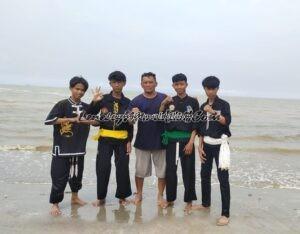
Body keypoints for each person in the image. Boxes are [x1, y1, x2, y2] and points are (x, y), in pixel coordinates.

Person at [45, 76, 95, 216]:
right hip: (61, 149)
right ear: (71, 88)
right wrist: (70, 119)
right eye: (77, 89)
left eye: (82, 90)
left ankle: (74, 197)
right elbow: (49, 120)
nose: (79, 92)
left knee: (76, 176)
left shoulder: (86, 107)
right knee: (59, 177)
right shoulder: (62, 104)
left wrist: (95, 103)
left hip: (78, 149)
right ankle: (55, 204)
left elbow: (96, 121)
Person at [87, 71, 133, 206]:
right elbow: (89, 115)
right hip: (105, 139)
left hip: (122, 140)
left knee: (123, 168)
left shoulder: (128, 103)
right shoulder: (103, 99)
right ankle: (101, 198)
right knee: (102, 168)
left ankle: (122, 197)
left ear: (124, 83)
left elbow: (130, 125)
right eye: (114, 82)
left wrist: (130, 141)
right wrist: (94, 102)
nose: (117, 84)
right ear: (110, 83)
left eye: (120, 82)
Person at [159, 73, 200, 211]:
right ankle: (170, 199)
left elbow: (196, 123)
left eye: (181, 84)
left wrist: (191, 142)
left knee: (188, 171)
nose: (179, 86)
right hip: (171, 141)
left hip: (186, 141)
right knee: (170, 171)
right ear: (173, 86)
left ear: (186, 85)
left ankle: (189, 201)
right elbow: (160, 117)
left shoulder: (193, 102)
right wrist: (163, 103)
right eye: (176, 84)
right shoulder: (169, 100)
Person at [128, 72, 167, 207]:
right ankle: (139, 194)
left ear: (156, 83)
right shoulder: (136, 100)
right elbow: (130, 122)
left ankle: (160, 196)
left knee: (162, 172)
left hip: (161, 142)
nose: (148, 84)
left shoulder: (164, 98)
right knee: (140, 171)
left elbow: (173, 117)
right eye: (145, 82)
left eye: (151, 82)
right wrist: (133, 114)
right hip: (142, 142)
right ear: (141, 84)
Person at [197, 76, 232, 226]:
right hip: (206, 144)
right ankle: (205, 204)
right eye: (208, 88)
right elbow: (199, 127)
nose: (210, 91)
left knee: (223, 179)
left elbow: (226, 121)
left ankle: (225, 214)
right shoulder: (202, 105)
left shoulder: (224, 104)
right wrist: (199, 145)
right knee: (204, 175)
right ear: (204, 89)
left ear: (217, 89)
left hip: (220, 145)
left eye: (213, 88)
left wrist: (211, 111)